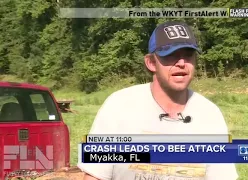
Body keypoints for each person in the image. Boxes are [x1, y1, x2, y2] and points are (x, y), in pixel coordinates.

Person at [77, 21, 239, 180]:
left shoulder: (210, 115)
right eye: (171, 55)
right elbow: (95, 175)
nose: (181, 63)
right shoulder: (118, 106)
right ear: (151, 63)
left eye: (188, 55)